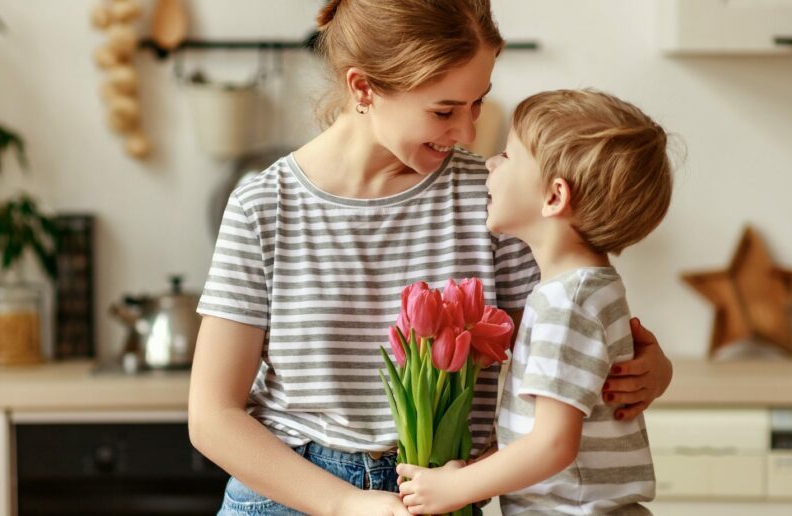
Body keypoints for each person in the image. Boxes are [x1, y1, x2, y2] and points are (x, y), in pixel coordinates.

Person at [188, 2, 674, 515]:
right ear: (363, 89)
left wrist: (648, 369)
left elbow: (565, 341)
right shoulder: (263, 207)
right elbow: (212, 416)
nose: (467, 133)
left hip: (440, 492)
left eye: (477, 103)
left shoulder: (495, 200)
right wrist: (345, 505)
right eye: (444, 110)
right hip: (291, 497)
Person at [396, 89, 672, 515]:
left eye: (506, 156)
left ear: (554, 197)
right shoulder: (591, 288)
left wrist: (456, 488)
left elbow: (554, 445)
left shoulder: (565, 305)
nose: (489, 162)